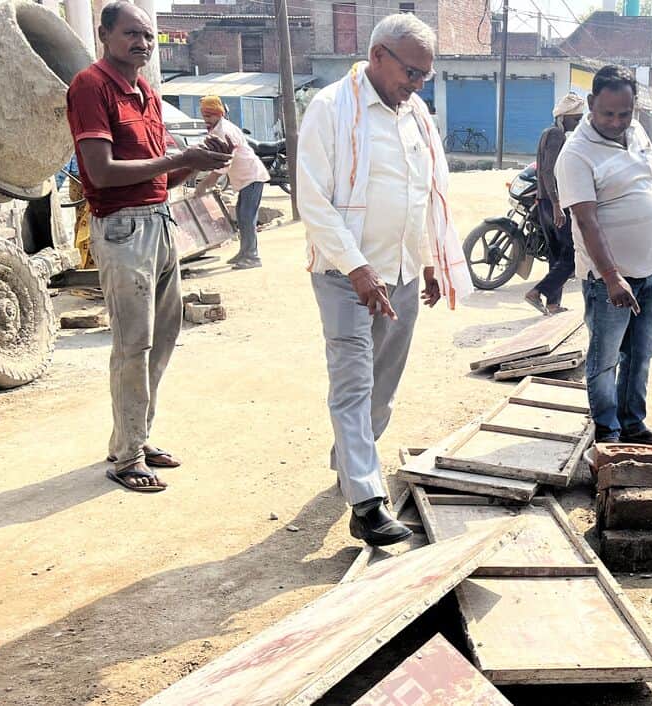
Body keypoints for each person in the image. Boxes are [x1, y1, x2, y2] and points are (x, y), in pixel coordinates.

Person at [297, 13, 471, 546]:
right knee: (354, 382)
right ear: (378, 56)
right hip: (344, 274)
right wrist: (357, 268)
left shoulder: (416, 115)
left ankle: (350, 464)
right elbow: (312, 200)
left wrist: (429, 262)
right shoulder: (330, 108)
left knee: (383, 386)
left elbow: (420, 196)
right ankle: (366, 506)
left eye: (424, 76)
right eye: (411, 73)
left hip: (398, 274)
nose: (418, 85)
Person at [66, 1, 232, 493]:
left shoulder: (147, 93)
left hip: (158, 220)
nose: (141, 43)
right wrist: (179, 157)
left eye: (148, 36)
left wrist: (202, 161)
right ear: (104, 35)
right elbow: (101, 171)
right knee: (132, 345)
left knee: (161, 339)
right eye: (131, 34)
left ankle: (135, 437)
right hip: (122, 227)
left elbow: (163, 174)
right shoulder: (91, 86)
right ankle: (127, 456)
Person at [554, 65, 652, 448]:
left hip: (649, 271)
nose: (616, 121)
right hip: (609, 280)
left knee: (641, 354)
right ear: (591, 104)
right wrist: (611, 276)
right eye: (608, 113)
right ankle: (607, 431)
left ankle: (633, 424)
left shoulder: (636, 132)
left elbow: (648, 188)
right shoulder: (576, 154)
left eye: (625, 113)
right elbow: (587, 222)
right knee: (606, 359)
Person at [524, 93, 584, 316]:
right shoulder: (557, 134)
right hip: (553, 203)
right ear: (565, 117)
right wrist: (558, 204)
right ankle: (537, 292)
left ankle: (552, 304)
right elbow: (548, 171)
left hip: (545, 202)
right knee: (570, 257)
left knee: (557, 255)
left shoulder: (547, 133)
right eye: (575, 119)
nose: (577, 123)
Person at [195, 95, 270, 269]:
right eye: (204, 116)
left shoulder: (225, 131)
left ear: (219, 114)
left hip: (252, 176)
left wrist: (205, 184)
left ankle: (252, 256)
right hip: (244, 179)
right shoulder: (216, 129)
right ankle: (244, 252)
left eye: (209, 116)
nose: (206, 119)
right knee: (242, 215)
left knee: (247, 216)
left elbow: (225, 162)